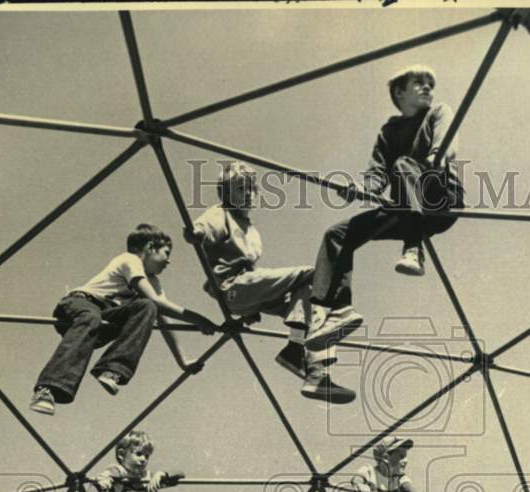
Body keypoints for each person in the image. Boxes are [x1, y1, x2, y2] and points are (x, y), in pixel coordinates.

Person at [305, 64, 465, 352]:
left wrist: (436, 157)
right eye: (419, 82)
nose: (428, 87)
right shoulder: (389, 131)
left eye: (430, 82)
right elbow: (376, 175)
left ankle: (413, 249)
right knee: (337, 235)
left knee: (403, 164)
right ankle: (334, 309)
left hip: (442, 197)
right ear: (399, 92)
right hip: (407, 207)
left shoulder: (438, 111)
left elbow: (447, 144)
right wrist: (362, 189)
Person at [185, 161, 355, 403]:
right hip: (231, 287)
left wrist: (255, 307)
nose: (248, 194)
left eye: (251, 189)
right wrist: (196, 233)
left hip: (248, 289)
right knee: (311, 272)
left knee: (312, 299)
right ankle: (312, 336)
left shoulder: (252, 231)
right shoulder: (221, 213)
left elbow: (256, 278)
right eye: (240, 189)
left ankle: (310, 367)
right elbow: (201, 229)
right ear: (226, 193)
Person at [29, 224, 219, 416]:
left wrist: (182, 360)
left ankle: (112, 369)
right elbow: (157, 301)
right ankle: (48, 389)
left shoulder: (152, 281)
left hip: (103, 321)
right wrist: (196, 318)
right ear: (150, 248)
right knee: (93, 317)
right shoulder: (130, 260)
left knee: (147, 308)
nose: (168, 262)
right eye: (166, 253)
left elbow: (162, 317)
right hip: (80, 304)